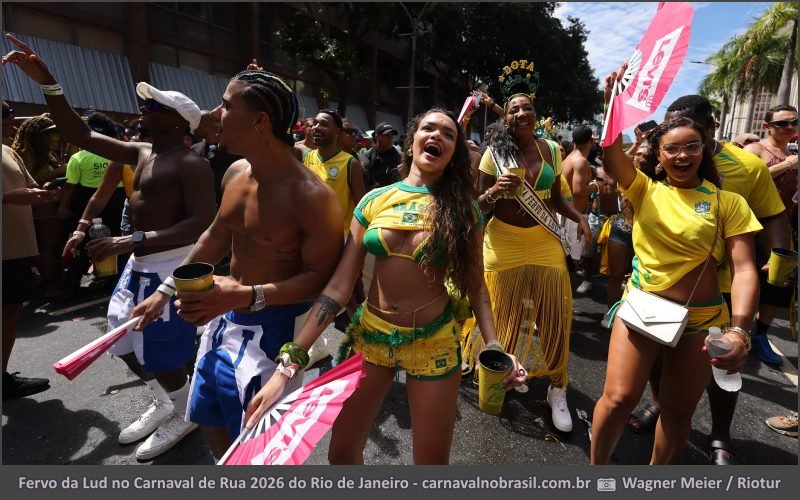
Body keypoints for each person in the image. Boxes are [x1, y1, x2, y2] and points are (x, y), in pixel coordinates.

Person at [242, 108, 527, 464]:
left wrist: (496, 346)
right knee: (341, 456)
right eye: (428, 128)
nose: (436, 136)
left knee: (431, 466)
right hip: (371, 338)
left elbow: (476, 286)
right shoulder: (374, 200)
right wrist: (287, 366)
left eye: (448, 134)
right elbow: (338, 287)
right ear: (412, 141)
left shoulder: (463, 210)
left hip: (434, 345)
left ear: (454, 153)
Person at [3, 33, 216, 460]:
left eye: (155, 106)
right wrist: (48, 83)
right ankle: (170, 401)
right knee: (121, 342)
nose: (144, 108)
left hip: (170, 267)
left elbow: (200, 224)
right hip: (138, 266)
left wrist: (128, 239)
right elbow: (78, 132)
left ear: (179, 123)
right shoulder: (141, 152)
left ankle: (184, 410)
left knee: (161, 352)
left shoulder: (192, 163)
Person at [131, 69, 344, 460]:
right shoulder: (235, 172)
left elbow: (322, 281)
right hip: (223, 321)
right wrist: (165, 290)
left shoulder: (312, 196)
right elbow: (216, 234)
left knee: (258, 449)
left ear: (260, 121)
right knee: (208, 415)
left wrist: (246, 294)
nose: (215, 114)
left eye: (226, 105)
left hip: (276, 336)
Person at [592, 68, 761, 464]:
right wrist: (613, 99)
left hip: (702, 320)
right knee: (618, 399)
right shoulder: (644, 190)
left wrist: (740, 330)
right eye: (672, 149)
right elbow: (611, 149)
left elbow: (744, 269)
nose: (682, 155)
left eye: (692, 147)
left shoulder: (727, 202)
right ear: (659, 155)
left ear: (705, 149)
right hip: (643, 309)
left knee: (677, 412)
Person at [628, 95, 790, 465]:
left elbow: (773, 214)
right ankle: (661, 404)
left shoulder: (748, 165)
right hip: (665, 287)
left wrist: (781, 256)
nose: (682, 146)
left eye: (694, 134)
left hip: (724, 287)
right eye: (671, 131)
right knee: (659, 356)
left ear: (712, 128)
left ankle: (720, 431)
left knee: (723, 365)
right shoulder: (661, 158)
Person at [462, 61, 592, 433]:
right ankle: (503, 372)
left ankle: (557, 387)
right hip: (503, 242)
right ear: (506, 118)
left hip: (544, 241)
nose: (521, 113)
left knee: (555, 317)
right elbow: (476, 205)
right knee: (504, 317)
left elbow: (557, 197)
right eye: (514, 109)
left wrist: (578, 216)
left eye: (527, 108)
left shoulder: (551, 149)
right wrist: (494, 191)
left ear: (535, 115)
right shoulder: (493, 153)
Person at [2, 100, 61, 399]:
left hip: (16, 248)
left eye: (10, 112)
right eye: (5, 113)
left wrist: (44, 194)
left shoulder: (8, 151)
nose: (11, 118)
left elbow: (30, 186)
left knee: (11, 310)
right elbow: (10, 195)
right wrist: (5, 199)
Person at [744, 105, 798, 364]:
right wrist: (786, 165)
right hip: (752, 226)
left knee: (779, 282)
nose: (790, 127)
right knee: (748, 278)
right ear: (767, 126)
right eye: (782, 123)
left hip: (786, 226)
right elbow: (745, 179)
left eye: (794, 122)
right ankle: (735, 330)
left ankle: (760, 336)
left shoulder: (794, 152)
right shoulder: (754, 150)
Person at [11, 115, 68, 296]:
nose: (55, 139)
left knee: (55, 246)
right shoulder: (25, 154)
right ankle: (52, 285)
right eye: (50, 135)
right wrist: (62, 170)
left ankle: (53, 280)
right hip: (41, 209)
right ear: (38, 136)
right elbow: (33, 180)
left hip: (51, 206)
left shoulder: (45, 154)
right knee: (48, 248)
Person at [562, 124, 604, 287]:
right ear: (591, 141)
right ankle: (562, 295)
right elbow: (578, 190)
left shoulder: (568, 159)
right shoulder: (580, 161)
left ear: (573, 141)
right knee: (571, 261)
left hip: (567, 214)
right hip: (574, 217)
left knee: (565, 258)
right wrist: (595, 186)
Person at [191, 110, 242, 208]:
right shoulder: (194, 149)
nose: (191, 128)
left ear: (205, 125)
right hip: (210, 206)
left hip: (235, 202)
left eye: (195, 123)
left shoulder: (234, 147)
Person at [364, 122, 401, 189]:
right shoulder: (367, 157)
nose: (390, 138)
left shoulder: (400, 156)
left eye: (392, 135)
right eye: (387, 135)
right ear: (377, 137)